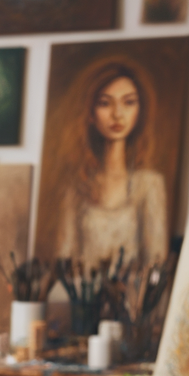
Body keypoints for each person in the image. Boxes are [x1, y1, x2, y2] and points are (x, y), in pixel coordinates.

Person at [53, 63, 168, 266]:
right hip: (82, 286)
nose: (117, 114)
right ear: (90, 113)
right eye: (105, 103)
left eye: (128, 102)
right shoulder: (75, 187)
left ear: (139, 110)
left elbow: (156, 262)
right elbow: (64, 260)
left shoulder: (150, 185)